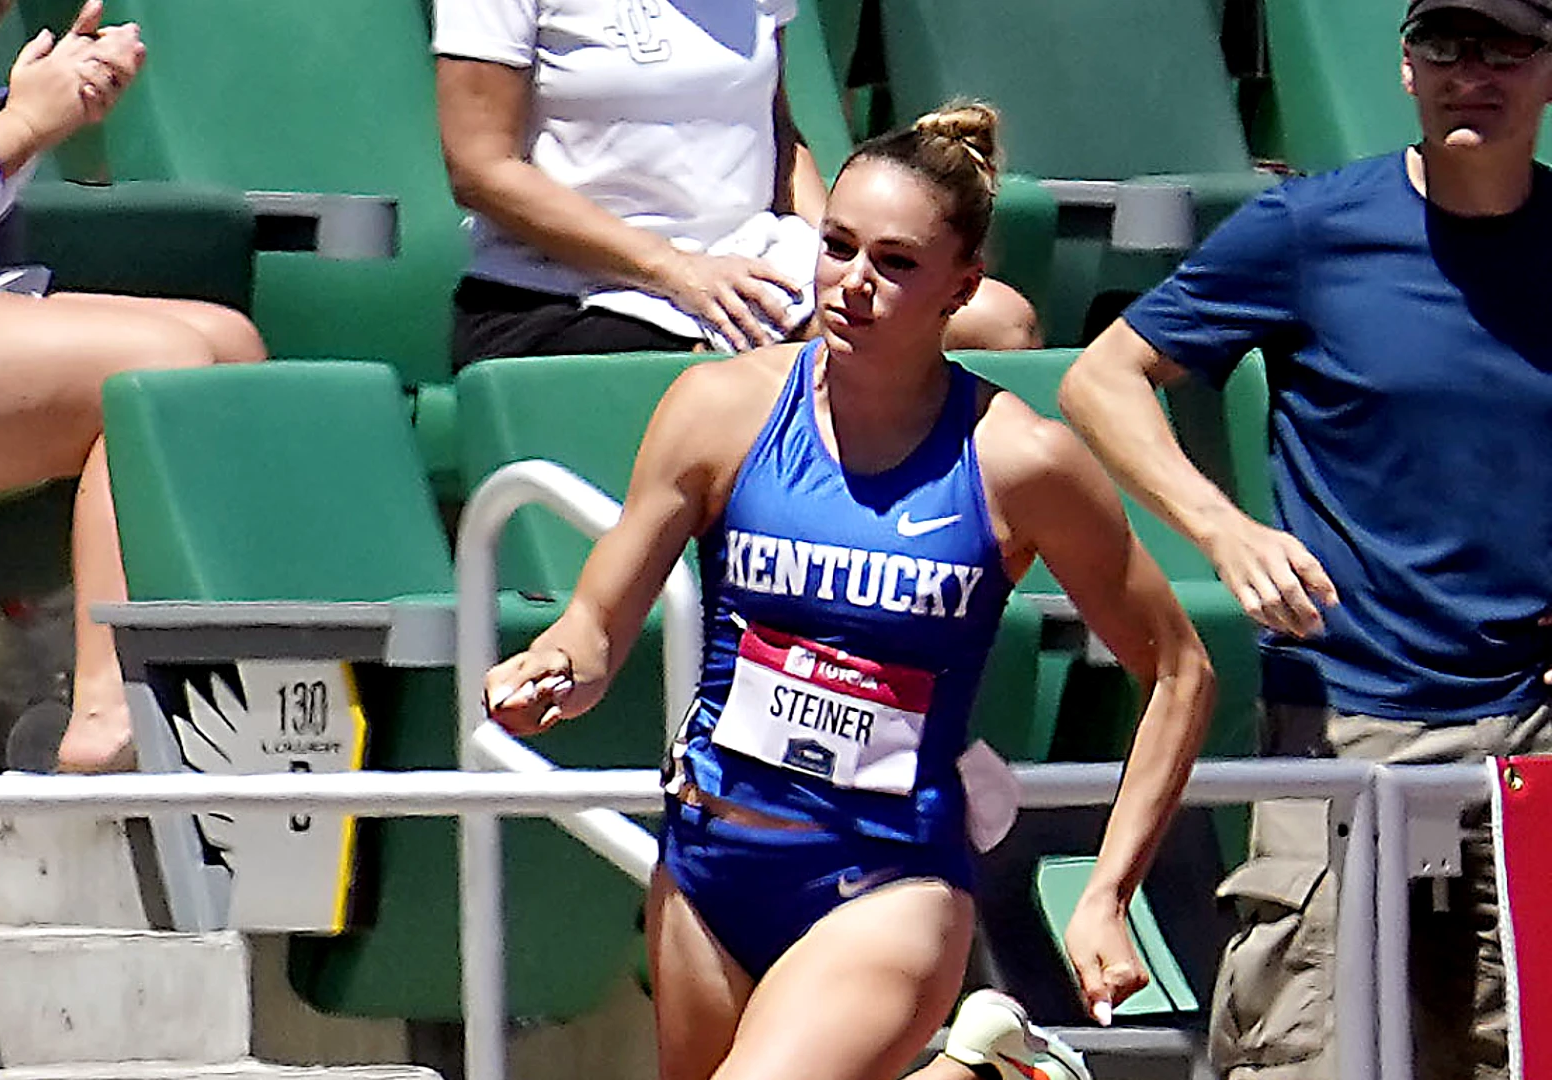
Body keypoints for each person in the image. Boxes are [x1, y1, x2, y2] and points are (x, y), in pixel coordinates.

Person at [483, 102, 1214, 1080]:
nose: (850, 285)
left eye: (894, 264)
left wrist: (1105, 894)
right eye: (834, 247)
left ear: (962, 287)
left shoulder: (1018, 462)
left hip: (887, 881)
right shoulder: (718, 409)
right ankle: (981, 1072)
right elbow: (594, 621)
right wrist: (552, 669)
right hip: (706, 865)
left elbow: (1177, 668)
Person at [1057, 2, 1552, 1076]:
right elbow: (1100, 379)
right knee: (1316, 1051)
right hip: (1347, 734)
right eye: (1446, 46)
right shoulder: (1309, 229)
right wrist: (1221, 529)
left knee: (1509, 1054)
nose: (1473, 73)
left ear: (1548, 71)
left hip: (1527, 741)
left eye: (1505, 47)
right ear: (1405, 69)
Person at [0, 0, 268, 773]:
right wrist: (26, 122)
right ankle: (108, 709)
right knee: (161, 373)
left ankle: (178, 684)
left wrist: (46, 111)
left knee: (231, 351)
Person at [432, 0, 1039, 370]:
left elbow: (777, 133)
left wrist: (837, 251)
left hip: (754, 270)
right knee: (803, 377)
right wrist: (677, 270)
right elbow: (481, 171)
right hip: (567, 294)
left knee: (998, 325)